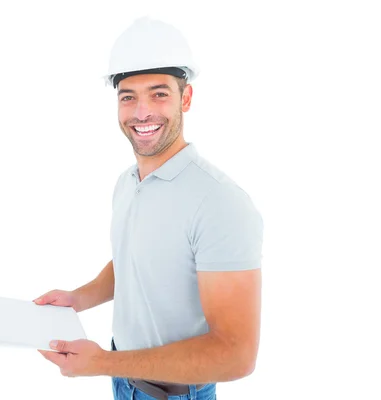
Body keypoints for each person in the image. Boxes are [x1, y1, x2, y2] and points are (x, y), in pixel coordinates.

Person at [35, 16, 264, 400]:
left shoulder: (220, 203)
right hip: (122, 380)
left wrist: (101, 364)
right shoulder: (128, 182)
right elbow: (134, 260)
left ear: (185, 99)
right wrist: (79, 298)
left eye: (159, 94)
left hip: (173, 394)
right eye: (128, 96)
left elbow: (236, 356)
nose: (141, 112)